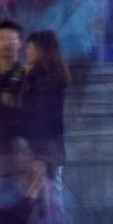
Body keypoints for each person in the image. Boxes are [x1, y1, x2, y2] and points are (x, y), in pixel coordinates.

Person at [19, 30, 70, 173]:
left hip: (42, 146)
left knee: (48, 189)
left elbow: (37, 112)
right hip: (49, 145)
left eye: (30, 47)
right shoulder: (50, 74)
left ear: (42, 50)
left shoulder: (43, 78)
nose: (26, 50)